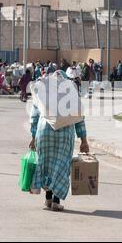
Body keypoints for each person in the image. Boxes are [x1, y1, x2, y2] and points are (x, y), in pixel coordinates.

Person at [29, 74, 90, 212]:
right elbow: (79, 118)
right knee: (61, 166)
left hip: (44, 132)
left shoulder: (43, 91)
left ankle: (48, 199)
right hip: (64, 134)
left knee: (46, 165)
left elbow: (34, 116)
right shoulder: (71, 92)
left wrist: (33, 137)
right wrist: (83, 140)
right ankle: (56, 201)